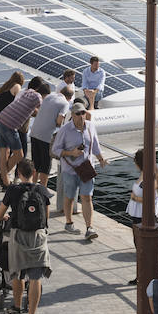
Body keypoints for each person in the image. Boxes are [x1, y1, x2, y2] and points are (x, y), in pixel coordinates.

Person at [0, 159, 52, 314]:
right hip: (38, 237)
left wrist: (7, 217)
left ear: (18, 173)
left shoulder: (13, 190)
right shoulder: (42, 190)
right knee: (35, 278)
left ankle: (17, 308)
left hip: (18, 236)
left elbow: (0, 214)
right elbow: (46, 217)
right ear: (34, 173)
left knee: (17, 274)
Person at [51, 102, 107, 240]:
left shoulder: (90, 126)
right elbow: (55, 150)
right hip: (70, 170)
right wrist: (71, 152)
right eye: (78, 114)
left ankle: (89, 228)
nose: (82, 116)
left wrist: (101, 159)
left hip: (87, 169)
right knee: (69, 197)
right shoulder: (65, 130)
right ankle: (69, 223)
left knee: (87, 197)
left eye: (83, 113)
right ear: (72, 115)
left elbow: (95, 146)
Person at [0, 75, 44, 184]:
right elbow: (42, 111)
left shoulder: (24, 92)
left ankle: (5, 182)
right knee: (20, 155)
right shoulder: (38, 97)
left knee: (4, 153)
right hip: (10, 126)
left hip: (0, 120)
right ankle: (2, 177)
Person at [126, 148, 158, 284]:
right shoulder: (144, 174)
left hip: (144, 215)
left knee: (143, 246)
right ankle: (147, 272)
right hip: (136, 214)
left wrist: (135, 198)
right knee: (139, 246)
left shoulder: (150, 177)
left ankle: (148, 273)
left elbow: (150, 199)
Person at [31, 86, 72, 187]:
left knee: (35, 163)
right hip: (46, 136)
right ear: (70, 98)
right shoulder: (65, 103)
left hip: (34, 132)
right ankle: (42, 191)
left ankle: (32, 186)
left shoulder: (49, 96)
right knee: (45, 165)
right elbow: (59, 121)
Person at [0, 71, 23, 184]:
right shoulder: (17, 86)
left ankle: (0, 170)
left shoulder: (5, 86)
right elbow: (18, 103)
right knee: (2, 147)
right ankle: (0, 172)